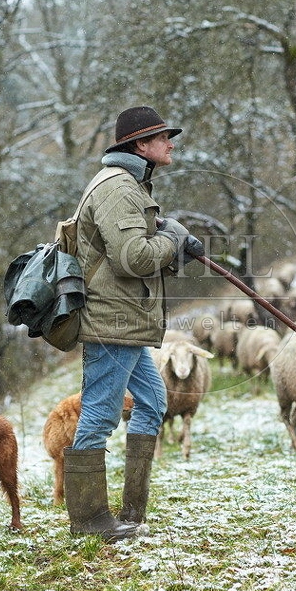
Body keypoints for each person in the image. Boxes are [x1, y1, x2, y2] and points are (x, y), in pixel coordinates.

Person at [63, 106, 204, 541]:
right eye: (164, 137)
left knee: (153, 402)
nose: (171, 143)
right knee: (101, 416)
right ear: (141, 146)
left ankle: (131, 512)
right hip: (112, 322)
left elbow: (131, 249)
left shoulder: (129, 186)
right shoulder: (118, 189)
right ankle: (89, 522)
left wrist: (170, 240)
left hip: (127, 321)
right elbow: (134, 258)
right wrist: (173, 236)